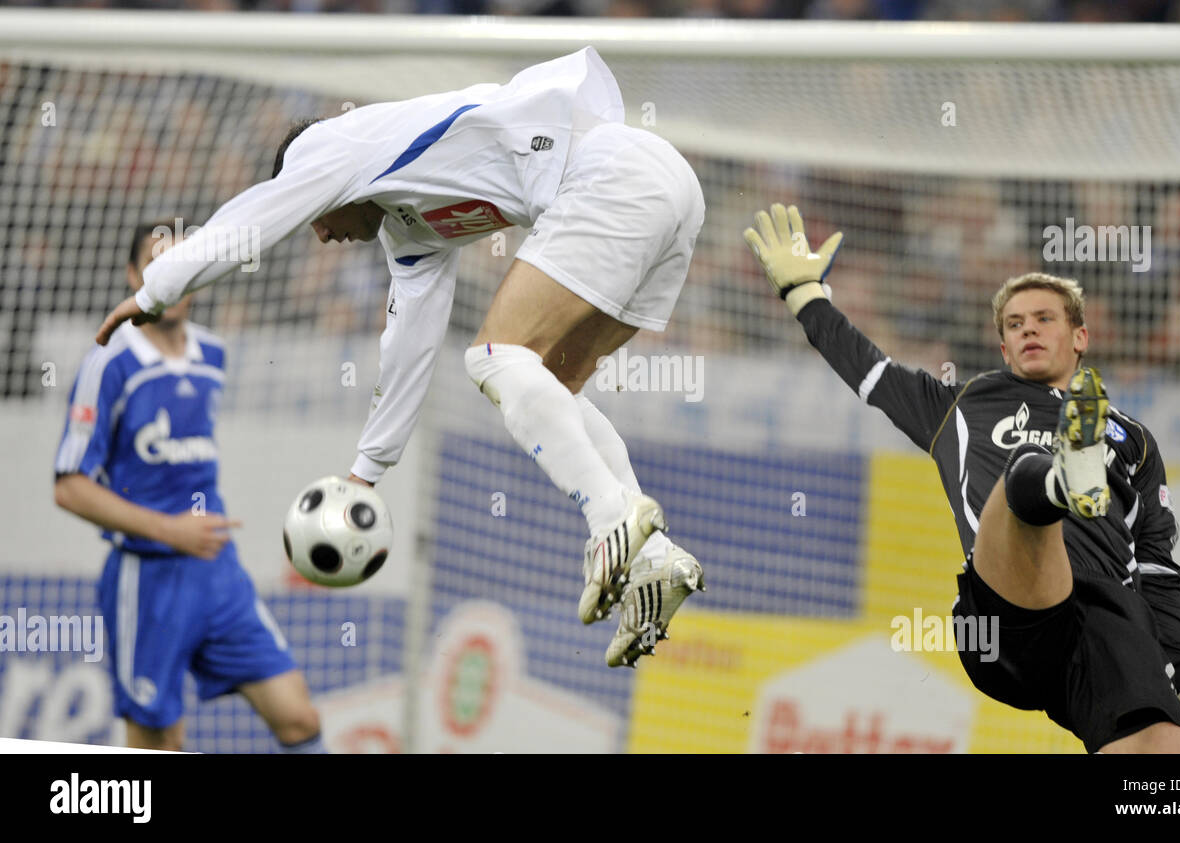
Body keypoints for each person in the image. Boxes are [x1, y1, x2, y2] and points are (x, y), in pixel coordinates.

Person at [93, 48, 707, 669]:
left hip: (611, 179)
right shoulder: (412, 228)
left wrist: (156, 289)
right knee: (549, 382)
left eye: (316, 216)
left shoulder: (330, 146)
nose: (322, 235)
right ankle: (652, 555)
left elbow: (256, 218)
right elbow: (409, 346)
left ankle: (611, 521)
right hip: (670, 187)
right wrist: (366, 472)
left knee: (495, 357)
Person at [744, 203, 1180, 754]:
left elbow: (1157, 571)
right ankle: (1063, 481)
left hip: (1108, 620)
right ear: (1004, 348)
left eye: (1044, 318)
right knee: (1023, 480)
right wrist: (804, 295)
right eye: (1014, 324)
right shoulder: (960, 405)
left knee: (1166, 755)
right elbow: (866, 369)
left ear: (1080, 337)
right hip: (1006, 623)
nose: (1028, 328)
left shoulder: (1135, 440)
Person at [57, 222, 325, 752]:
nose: (170, 279)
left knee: (299, 718)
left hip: (218, 572)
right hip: (147, 579)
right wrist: (168, 529)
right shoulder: (111, 362)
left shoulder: (213, 356)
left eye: (181, 266)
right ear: (133, 276)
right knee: (158, 743)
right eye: (154, 266)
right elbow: (69, 486)